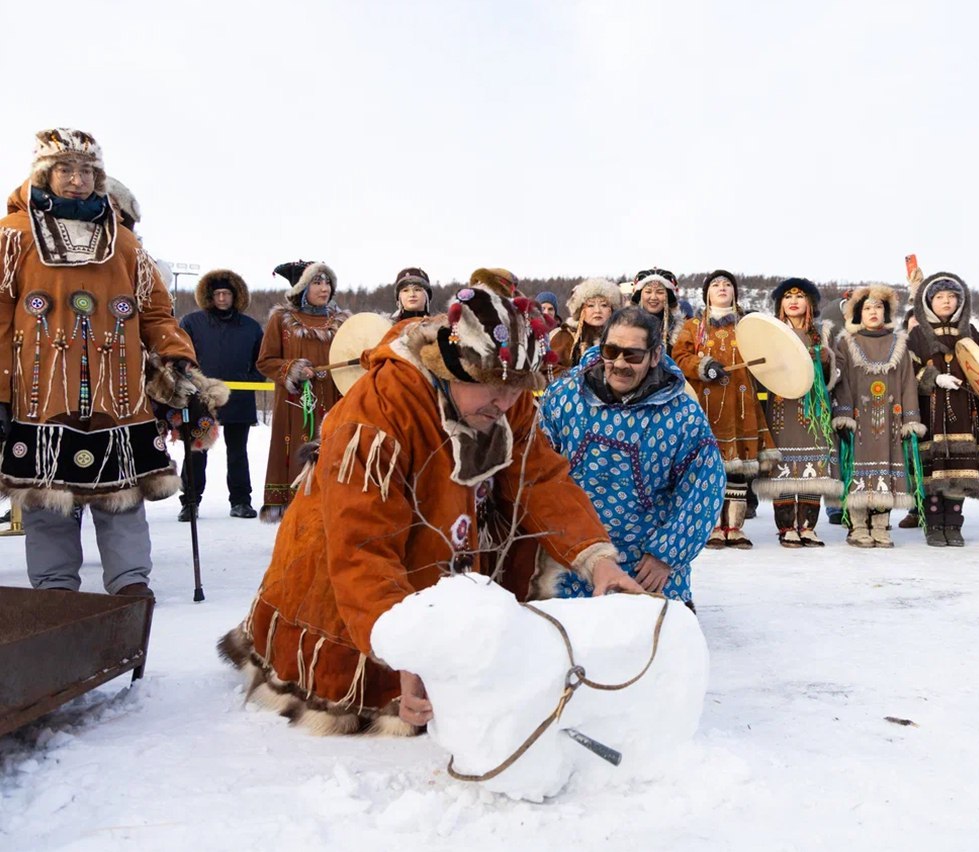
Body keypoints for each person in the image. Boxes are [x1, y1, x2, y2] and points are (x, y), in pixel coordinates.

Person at [217, 278, 642, 735]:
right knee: (366, 669)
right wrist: (404, 651)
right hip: (348, 539)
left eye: (518, 391)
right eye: (493, 390)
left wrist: (595, 557)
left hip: (444, 530)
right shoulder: (380, 408)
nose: (506, 403)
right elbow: (361, 542)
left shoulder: (503, 391)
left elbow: (539, 477)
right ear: (451, 368)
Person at [0, 128, 224, 597]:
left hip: (118, 396)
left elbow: (156, 312)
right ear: (44, 173)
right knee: (47, 500)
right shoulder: (13, 237)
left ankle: (129, 589)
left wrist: (179, 363)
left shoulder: (122, 242)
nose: (77, 180)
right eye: (65, 169)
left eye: (87, 171)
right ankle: (55, 595)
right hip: (40, 396)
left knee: (121, 498)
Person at [540, 306, 725, 605]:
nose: (619, 363)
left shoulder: (682, 415)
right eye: (611, 351)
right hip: (572, 558)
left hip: (646, 567)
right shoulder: (565, 396)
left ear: (655, 356)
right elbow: (539, 471)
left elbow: (704, 488)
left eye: (633, 355)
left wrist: (667, 554)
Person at [672, 270, 777, 548]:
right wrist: (703, 366)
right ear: (706, 293)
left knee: (737, 470)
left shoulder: (748, 325)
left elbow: (769, 357)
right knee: (709, 468)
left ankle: (735, 527)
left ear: (735, 292)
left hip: (741, 406)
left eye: (727, 284)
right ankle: (713, 527)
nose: (721, 288)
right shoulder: (694, 326)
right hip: (706, 407)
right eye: (716, 284)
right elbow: (679, 356)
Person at [751, 278, 848, 547]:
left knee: (813, 470)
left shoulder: (823, 333)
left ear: (810, 303)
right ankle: (786, 528)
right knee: (784, 468)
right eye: (788, 297)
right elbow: (759, 368)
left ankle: (807, 527)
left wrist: (826, 359)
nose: (793, 301)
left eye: (799, 296)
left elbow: (837, 371)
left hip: (814, 410)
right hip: (782, 408)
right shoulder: (772, 333)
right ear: (780, 304)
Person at [256, 260, 349, 522]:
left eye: (327, 282)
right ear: (301, 288)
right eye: (317, 283)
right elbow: (265, 361)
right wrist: (293, 369)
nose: (324, 288)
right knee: (298, 456)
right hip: (296, 408)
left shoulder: (343, 322)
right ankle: (295, 520)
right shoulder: (281, 320)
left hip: (335, 403)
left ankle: (332, 518)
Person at [839, 285, 926, 547]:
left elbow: (908, 383)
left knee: (887, 470)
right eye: (867, 308)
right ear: (858, 314)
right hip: (860, 419)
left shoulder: (898, 343)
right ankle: (857, 526)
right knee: (857, 470)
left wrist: (910, 419)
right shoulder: (846, 342)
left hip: (890, 420)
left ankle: (880, 525)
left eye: (878, 307)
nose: (873, 312)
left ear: (886, 312)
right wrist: (843, 416)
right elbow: (842, 382)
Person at [907, 272, 979, 547]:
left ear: (960, 301)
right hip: (932, 409)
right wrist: (933, 378)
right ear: (929, 302)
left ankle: (954, 525)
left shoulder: (971, 331)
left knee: (959, 471)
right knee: (935, 471)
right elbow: (909, 370)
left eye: (951, 296)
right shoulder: (918, 334)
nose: (946, 302)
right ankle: (933, 525)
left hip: (965, 411)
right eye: (940, 297)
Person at [178, 269, 265, 520]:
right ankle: (190, 502)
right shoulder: (192, 323)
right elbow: (183, 358)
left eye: (227, 293)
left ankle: (241, 501)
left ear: (235, 296)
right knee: (196, 450)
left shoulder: (250, 327)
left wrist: (252, 380)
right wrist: (190, 384)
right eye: (217, 294)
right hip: (202, 399)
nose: (222, 298)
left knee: (237, 452)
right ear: (209, 296)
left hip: (239, 399)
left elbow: (260, 361)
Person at [547, 277, 620, 378]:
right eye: (590, 305)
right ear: (581, 310)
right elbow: (550, 368)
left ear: (612, 309)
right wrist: (580, 376)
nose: (597, 310)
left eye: (604, 305)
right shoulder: (566, 336)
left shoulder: (621, 337)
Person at [631, 267, 684, 350]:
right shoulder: (627, 326)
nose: (653, 297)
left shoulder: (681, 330)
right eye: (648, 292)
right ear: (640, 296)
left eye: (660, 292)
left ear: (668, 297)